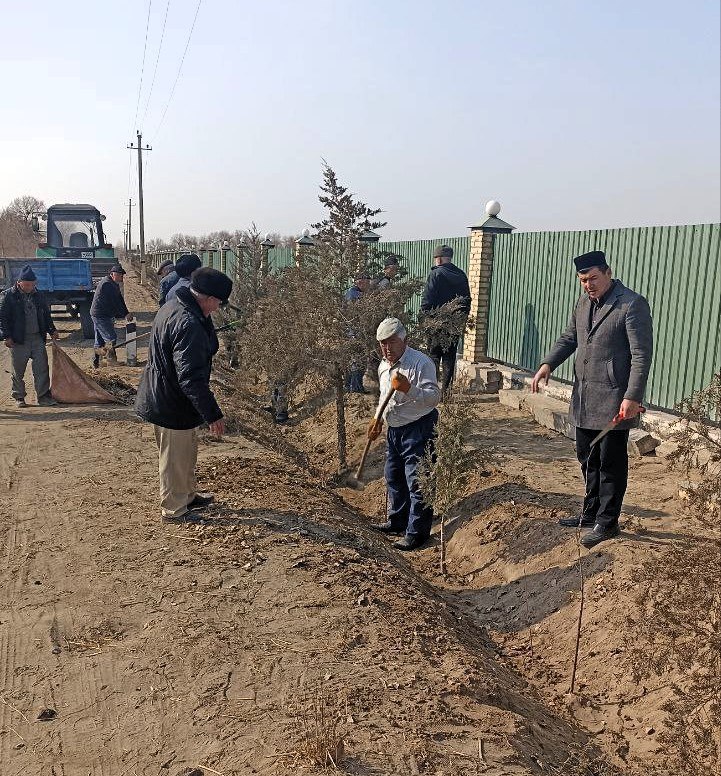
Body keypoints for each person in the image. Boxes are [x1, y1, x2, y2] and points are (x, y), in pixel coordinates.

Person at [531, 250, 653, 548]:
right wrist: (548, 363)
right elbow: (569, 338)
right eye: (583, 280)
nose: (588, 285)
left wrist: (632, 396)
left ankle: (607, 522)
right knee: (587, 457)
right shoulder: (584, 302)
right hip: (584, 396)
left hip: (614, 399)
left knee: (610, 462)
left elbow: (641, 355)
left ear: (608, 273)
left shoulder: (631, 304)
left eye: (593, 278)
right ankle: (591, 512)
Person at [135, 267, 232, 522]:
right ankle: (174, 509)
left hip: (176, 397)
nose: (218, 308)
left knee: (187, 452)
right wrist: (213, 414)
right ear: (208, 298)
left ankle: (188, 495)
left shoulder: (177, 305)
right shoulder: (188, 323)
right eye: (219, 303)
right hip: (171, 401)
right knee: (174, 458)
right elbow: (190, 378)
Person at [369, 317, 441, 551]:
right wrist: (378, 418)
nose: (387, 348)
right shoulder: (383, 366)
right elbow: (384, 396)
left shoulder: (421, 363)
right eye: (383, 343)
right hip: (395, 430)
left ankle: (417, 533)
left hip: (419, 428)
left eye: (392, 342)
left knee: (418, 481)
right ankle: (398, 521)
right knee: (394, 476)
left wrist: (410, 389)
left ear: (404, 340)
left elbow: (433, 398)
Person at [0, 264, 59, 407]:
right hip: (18, 339)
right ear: (19, 282)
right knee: (18, 370)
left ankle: (43, 397)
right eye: (26, 284)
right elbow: (2, 318)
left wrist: (52, 329)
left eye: (32, 285)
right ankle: (19, 397)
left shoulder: (39, 295)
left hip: (37, 338)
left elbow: (45, 314)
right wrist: (6, 336)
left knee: (42, 369)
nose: (29, 287)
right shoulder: (8, 296)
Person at [419, 244, 471, 394]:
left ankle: (431, 389)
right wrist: (460, 320)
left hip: (436, 323)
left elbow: (428, 300)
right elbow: (467, 301)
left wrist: (423, 319)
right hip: (454, 325)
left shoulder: (436, 274)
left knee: (433, 356)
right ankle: (446, 392)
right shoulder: (461, 275)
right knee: (449, 357)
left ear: (439, 259)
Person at [90, 264, 134, 367]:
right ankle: (111, 361)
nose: (121, 277)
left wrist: (126, 312)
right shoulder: (107, 284)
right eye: (119, 275)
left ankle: (96, 363)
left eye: (122, 275)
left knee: (99, 341)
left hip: (101, 314)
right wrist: (125, 314)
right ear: (112, 274)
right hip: (100, 315)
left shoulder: (113, 283)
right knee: (111, 338)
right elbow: (116, 302)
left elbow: (120, 299)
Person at [344, 273, 371, 393]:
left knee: (355, 360)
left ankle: (350, 386)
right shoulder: (353, 293)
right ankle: (355, 387)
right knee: (357, 360)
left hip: (355, 332)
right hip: (354, 332)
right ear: (360, 282)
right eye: (367, 282)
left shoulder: (356, 293)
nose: (368, 285)